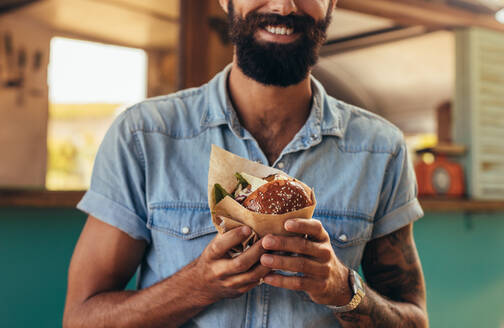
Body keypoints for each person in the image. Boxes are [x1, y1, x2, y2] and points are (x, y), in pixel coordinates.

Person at [63, 0, 428, 327]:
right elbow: (81, 319)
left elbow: (414, 321)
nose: (285, 7)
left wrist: (341, 288)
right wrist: (197, 286)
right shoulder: (143, 136)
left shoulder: (382, 150)